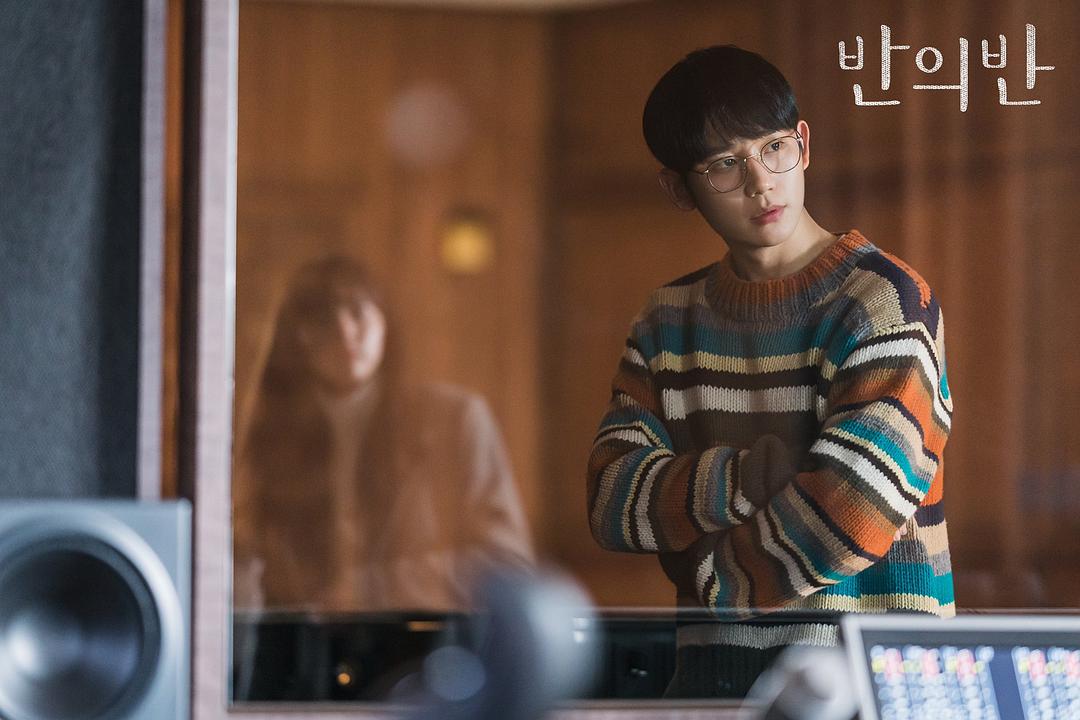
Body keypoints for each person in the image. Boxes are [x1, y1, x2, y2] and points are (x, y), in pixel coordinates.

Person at [586, 46, 954, 697]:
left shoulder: (883, 301)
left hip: (871, 688)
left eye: (774, 148)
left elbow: (853, 513)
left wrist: (710, 575)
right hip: (710, 691)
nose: (761, 183)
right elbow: (612, 501)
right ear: (679, 188)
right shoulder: (666, 321)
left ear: (803, 144)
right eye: (724, 165)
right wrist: (748, 477)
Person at [234, 256, 534, 613]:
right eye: (323, 319)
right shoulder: (274, 441)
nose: (345, 333)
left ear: (384, 322)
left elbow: (506, 563)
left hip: (424, 639)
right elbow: (243, 559)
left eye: (358, 312)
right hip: (305, 642)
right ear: (297, 337)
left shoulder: (454, 421)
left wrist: (374, 589)